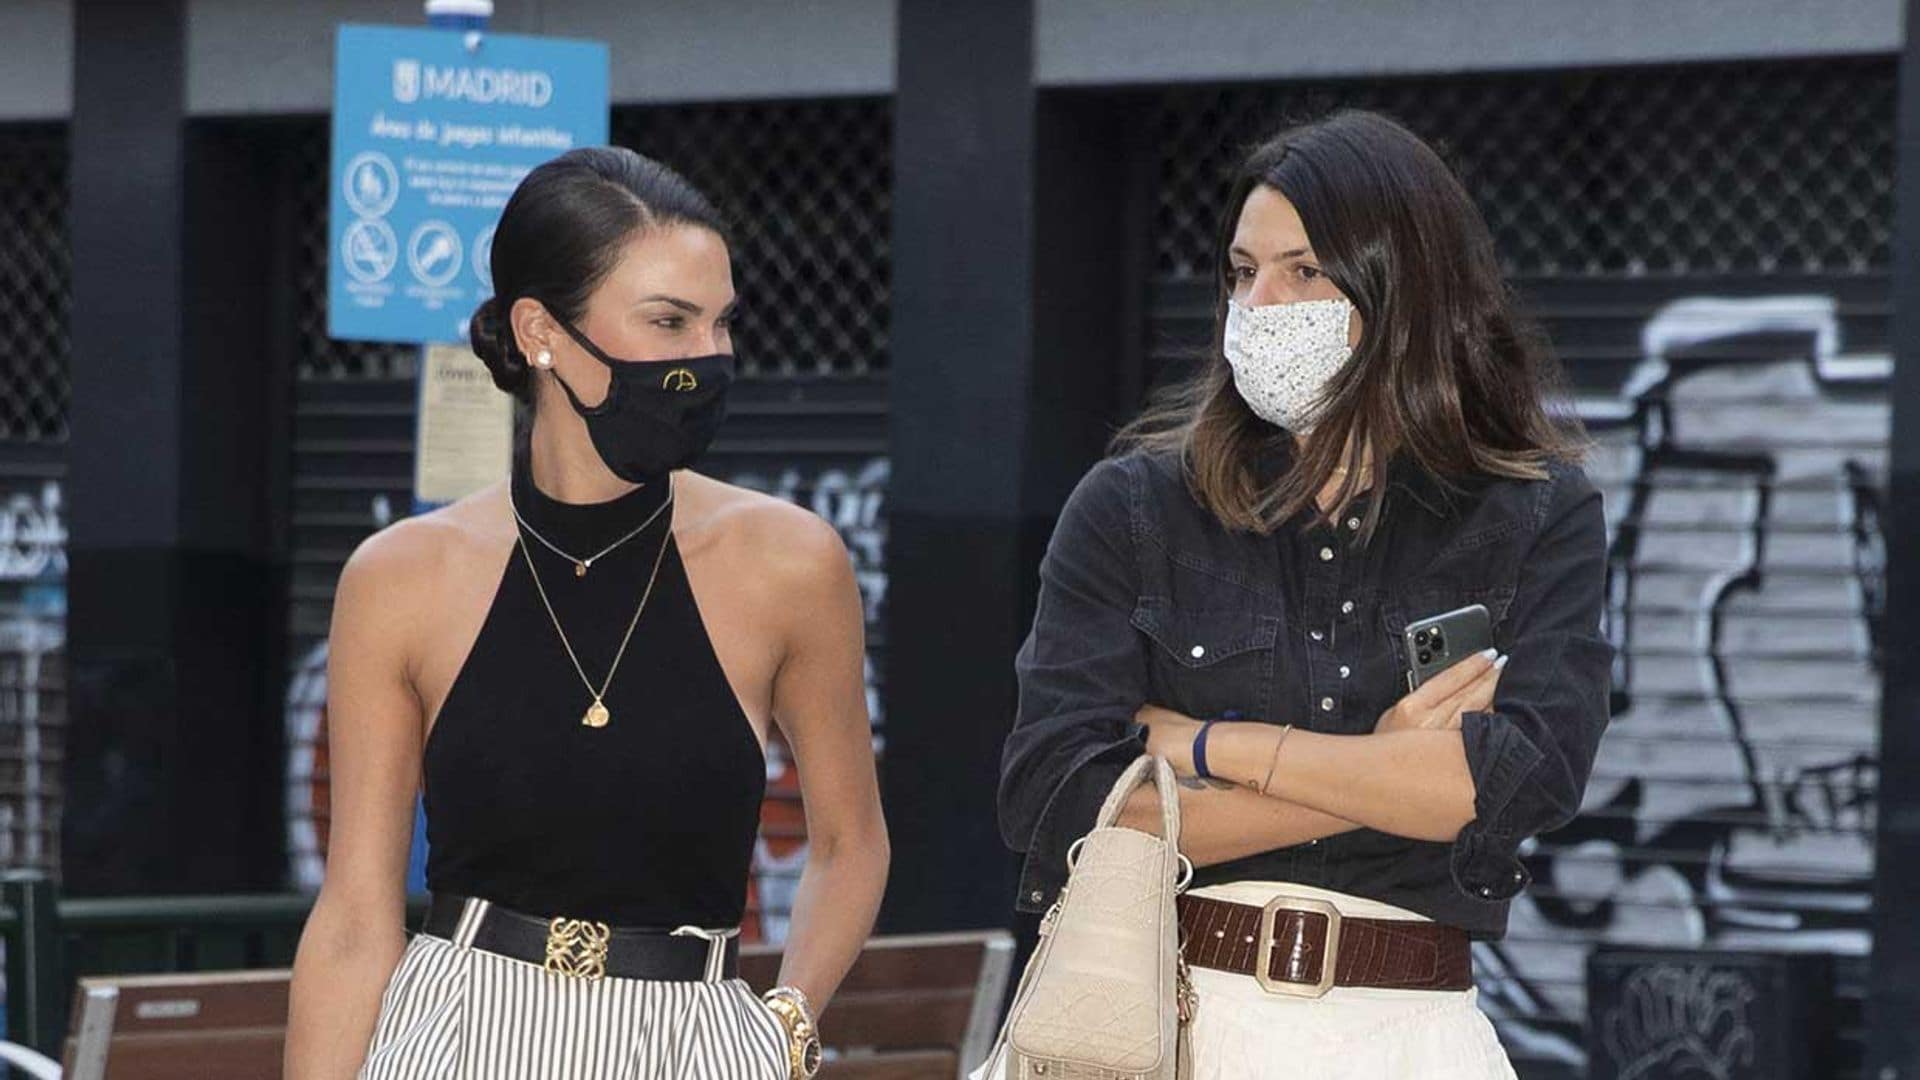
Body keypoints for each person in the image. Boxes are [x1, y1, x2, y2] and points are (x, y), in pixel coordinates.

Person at [997, 110, 1610, 1078]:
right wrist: (1386, 771)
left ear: (1407, 288)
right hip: (1154, 1022)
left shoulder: (1534, 512)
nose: (1262, 303)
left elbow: (1515, 784)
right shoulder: (1136, 504)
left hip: (1410, 1034)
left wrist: (1209, 749)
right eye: (1243, 272)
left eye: (1305, 272)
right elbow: (1059, 799)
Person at [286, 146, 889, 1080]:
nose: (707, 356)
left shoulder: (788, 564)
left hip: (696, 1036)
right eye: (668, 321)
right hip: (457, 1030)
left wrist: (789, 1024)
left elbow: (851, 844)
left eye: (721, 322)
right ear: (541, 332)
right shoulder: (400, 576)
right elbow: (358, 914)